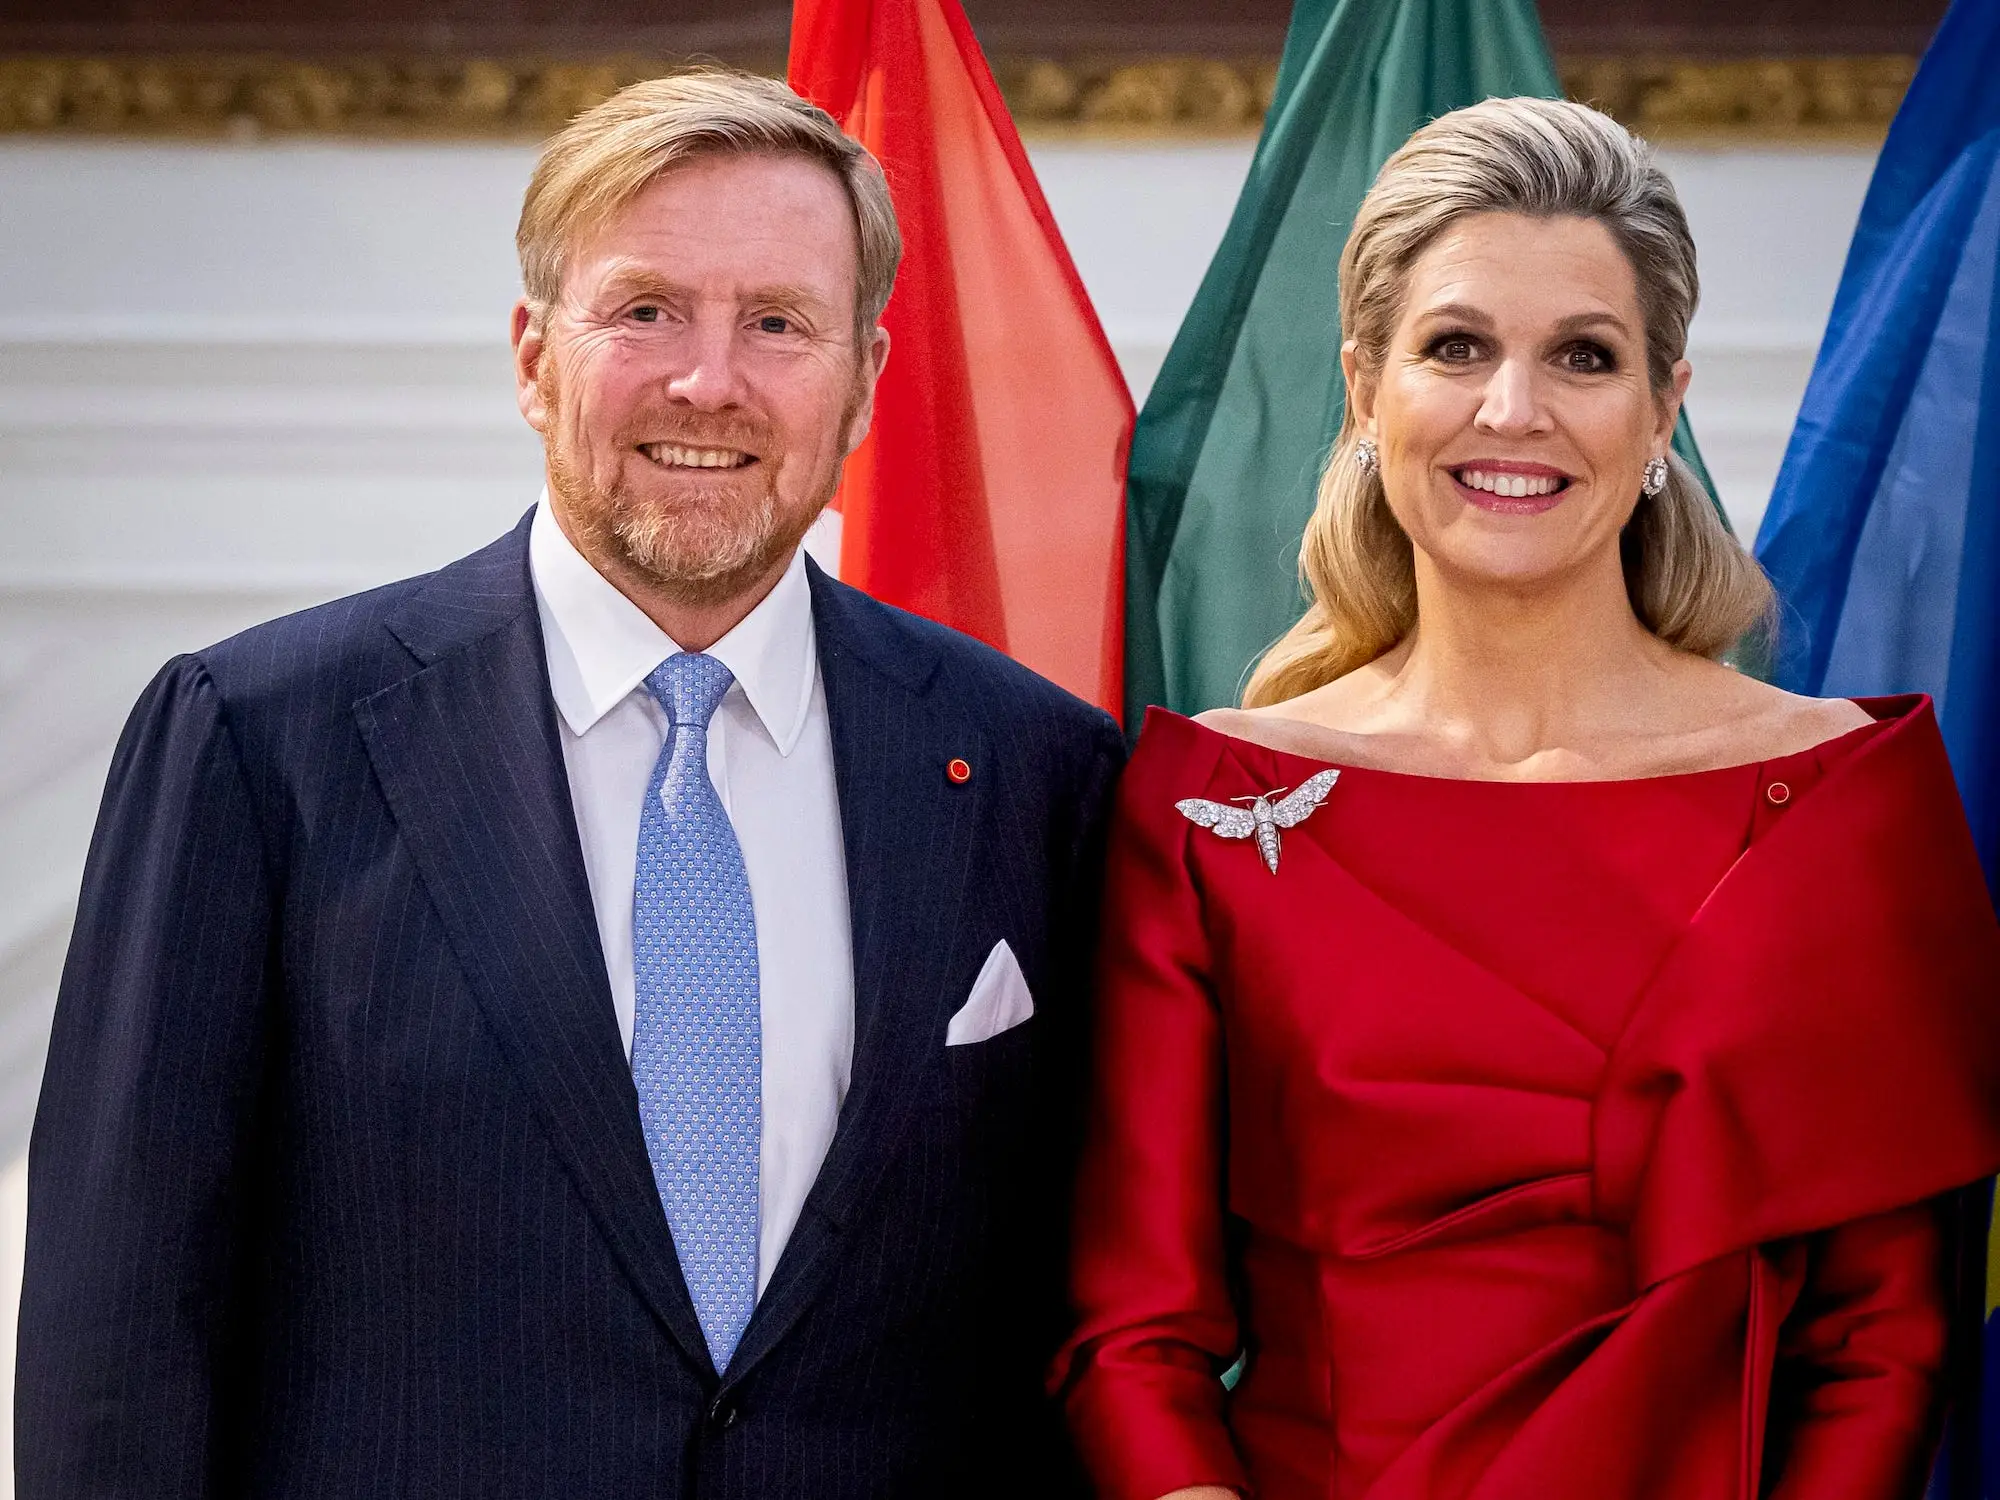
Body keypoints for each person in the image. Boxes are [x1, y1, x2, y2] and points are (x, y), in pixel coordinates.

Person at [18, 70, 1122, 1499]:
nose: (708, 381)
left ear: (864, 380)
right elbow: (122, 1333)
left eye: (778, 324)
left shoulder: (1037, 768)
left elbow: (1080, 1320)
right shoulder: (255, 742)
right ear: (535, 356)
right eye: (646, 310)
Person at [1053, 97, 2000, 1500]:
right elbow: (1135, 1336)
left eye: (1584, 355)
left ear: (1664, 401)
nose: (1516, 410)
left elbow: (1885, 1343)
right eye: (1456, 347)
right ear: (1366, 388)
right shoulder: (1205, 800)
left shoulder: (1845, 800)